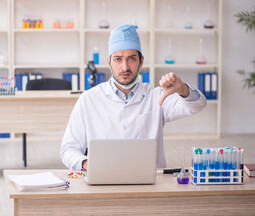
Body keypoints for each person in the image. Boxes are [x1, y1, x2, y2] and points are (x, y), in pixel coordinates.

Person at [60, 24, 207, 171]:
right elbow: (68, 149)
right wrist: (88, 164)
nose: (125, 67)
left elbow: (198, 104)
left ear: (141, 61)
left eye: (131, 59)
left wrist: (182, 89)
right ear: (109, 62)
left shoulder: (157, 96)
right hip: (103, 178)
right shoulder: (89, 99)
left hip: (149, 182)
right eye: (118, 59)